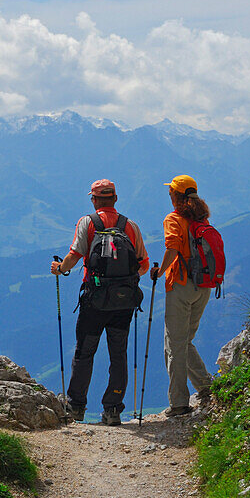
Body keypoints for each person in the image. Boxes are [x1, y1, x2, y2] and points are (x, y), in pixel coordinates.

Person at [52, 179, 149, 425]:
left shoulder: (88, 223)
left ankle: (76, 407)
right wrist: (124, 283)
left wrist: (60, 269)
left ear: (94, 200)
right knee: (119, 354)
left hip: (94, 301)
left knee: (85, 352)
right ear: (115, 198)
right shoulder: (130, 226)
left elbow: (74, 256)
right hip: (123, 303)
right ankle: (113, 409)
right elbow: (144, 265)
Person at [153, 174, 214, 417]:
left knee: (174, 345)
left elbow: (172, 248)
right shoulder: (203, 219)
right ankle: (207, 387)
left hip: (181, 284)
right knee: (184, 340)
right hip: (205, 285)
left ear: (176, 196)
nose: (169, 196)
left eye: (171, 193)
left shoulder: (174, 219)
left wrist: (160, 272)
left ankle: (179, 403)